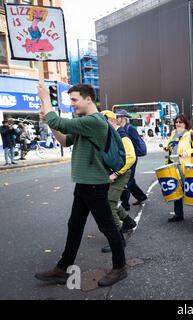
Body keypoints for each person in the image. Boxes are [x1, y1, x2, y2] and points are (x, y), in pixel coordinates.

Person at [35, 84, 127, 287]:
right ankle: (62, 269)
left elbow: (59, 120)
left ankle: (120, 268)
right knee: (74, 226)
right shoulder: (84, 122)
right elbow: (65, 140)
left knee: (108, 227)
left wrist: (45, 99)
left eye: (74, 100)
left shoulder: (94, 121)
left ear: (88, 99)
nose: (72, 104)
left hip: (94, 185)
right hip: (84, 184)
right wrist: (51, 125)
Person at [100, 111, 137, 253]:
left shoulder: (121, 135)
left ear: (113, 121)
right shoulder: (110, 134)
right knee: (111, 201)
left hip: (120, 174)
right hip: (113, 173)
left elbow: (131, 157)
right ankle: (128, 222)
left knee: (109, 203)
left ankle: (118, 240)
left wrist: (116, 173)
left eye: (104, 121)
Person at [163, 114, 193, 222]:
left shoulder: (191, 134)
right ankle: (178, 214)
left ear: (185, 123)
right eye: (176, 122)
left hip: (186, 167)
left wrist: (188, 152)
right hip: (173, 165)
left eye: (180, 122)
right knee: (176, 190)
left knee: (189, 189)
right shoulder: (173, 133)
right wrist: (166, 148)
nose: (178, 124)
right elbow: (169, 146)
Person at [116, 110, 148, 211]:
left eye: (118, 117)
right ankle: (141, 196)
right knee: (130, 179)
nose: (116, 119)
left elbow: (136, 142)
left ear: (123, 118)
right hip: (124, 157)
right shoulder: (120, 129)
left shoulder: (130, 129)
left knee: (127, 180)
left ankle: (125, 205)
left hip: (131, 157)